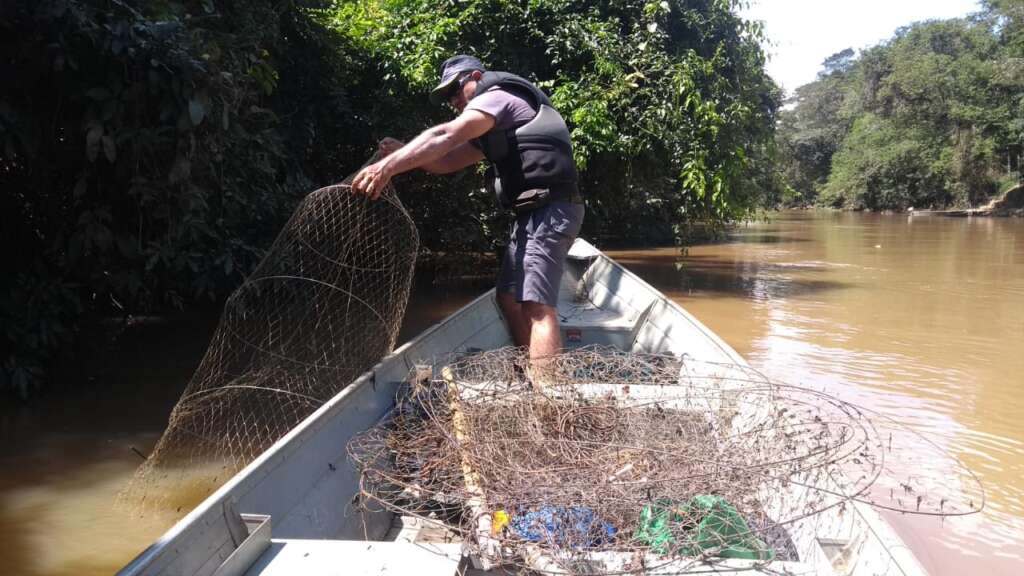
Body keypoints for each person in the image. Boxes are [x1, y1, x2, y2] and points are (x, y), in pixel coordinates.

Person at [351, 54, 584, 366]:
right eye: (447, 98)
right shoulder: (490, 130)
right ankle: (529, 369)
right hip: (529, 215)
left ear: (476, 76)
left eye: (455, 91)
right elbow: (446, 161)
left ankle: (548, 398)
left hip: (551, 210)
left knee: (536, 307)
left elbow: (445, 135)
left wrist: (388, 166)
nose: (453, 101)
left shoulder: (499, 97)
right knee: (508, 298)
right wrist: (406, 152)